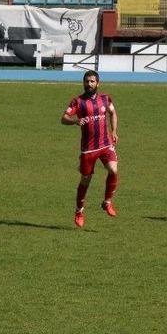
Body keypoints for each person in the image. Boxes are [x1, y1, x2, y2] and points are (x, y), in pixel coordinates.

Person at [60, 70, 119, 228]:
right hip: (88, 149)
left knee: (113, 170)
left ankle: (107, 202)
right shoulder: (78, 102)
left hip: (106, 144)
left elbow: (113, 113)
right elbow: (63, 118)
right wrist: (74, 122)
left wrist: (113, 131)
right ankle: (79, 211)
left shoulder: (105, 99)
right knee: (85, 180)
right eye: (87, 81)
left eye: (92, 81)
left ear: (98, 83)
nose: (89, 84)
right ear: (83, 83)